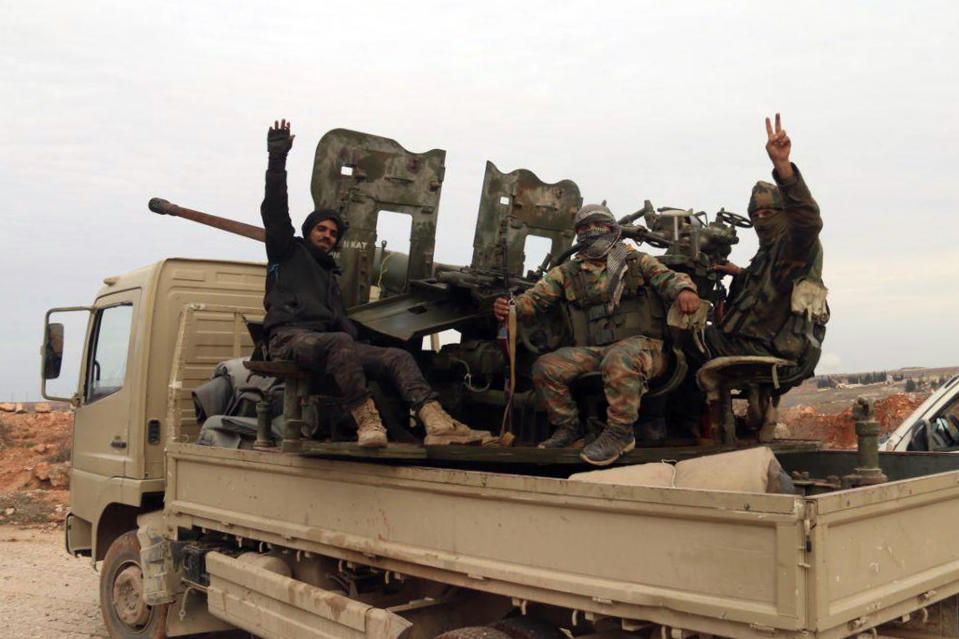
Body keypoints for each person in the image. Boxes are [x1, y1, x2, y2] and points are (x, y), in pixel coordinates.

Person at [260, 119, 485, 448]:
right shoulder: (286, 251)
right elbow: (274, 208)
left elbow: (343, 329)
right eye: (321, 229)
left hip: (327, 343)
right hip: (288, 338)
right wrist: (276, 159)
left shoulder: (328, 276)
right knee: (339, 343)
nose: (327, 236)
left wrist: (368, 340)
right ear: (309, 231)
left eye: (333, 233)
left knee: (396, 357)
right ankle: (366, 420)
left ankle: (436, 422)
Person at [494, 203, 701, 466]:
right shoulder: (568, 272)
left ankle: (620, 433)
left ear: (612, 229)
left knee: (620, 357)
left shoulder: (634, 260)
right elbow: (534, 299)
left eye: (598, 226)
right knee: (546, 367)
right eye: (584, 227)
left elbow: (670, 278)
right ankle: (569, 428)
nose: (591, 231)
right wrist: (510, 307)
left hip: (645, 349)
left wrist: (685, 291)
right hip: (596, 351)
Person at [672, 114, 827, 437]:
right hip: (750, 339)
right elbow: (770, 288)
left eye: (769, 213)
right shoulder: (770, 254)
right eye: (755, 215)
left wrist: (783, 167)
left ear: (784, 213)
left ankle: (680, 427)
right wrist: (738, 273)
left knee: (674, 342)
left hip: (762, 345)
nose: (761, 220)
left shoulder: (795, 245)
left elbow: (808, 219)